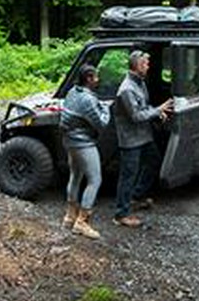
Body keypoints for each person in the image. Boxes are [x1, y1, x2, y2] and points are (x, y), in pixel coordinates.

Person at [112, 50, 173, 227]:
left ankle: (136, 197)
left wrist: (156, 113)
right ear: (137, 66)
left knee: (154, 161)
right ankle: (120, 215)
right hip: (131, 140)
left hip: (144, 136)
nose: (148, 66)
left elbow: (143, 107)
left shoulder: (139, 83)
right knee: (127, 175)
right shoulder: (127, 89)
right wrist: (159, 109)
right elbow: (136, 116)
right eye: (145, 64)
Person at [60, 64, 111, 239]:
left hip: (69, 142)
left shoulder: (72, 92)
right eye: (96, 77)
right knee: (95, 180)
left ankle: (69, 216)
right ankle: (82, 222)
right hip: (83, 144)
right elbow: (102, 124)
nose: (98, 80)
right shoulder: (88, 100)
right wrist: (106, 107)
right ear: (89, 79)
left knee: (75, 175)